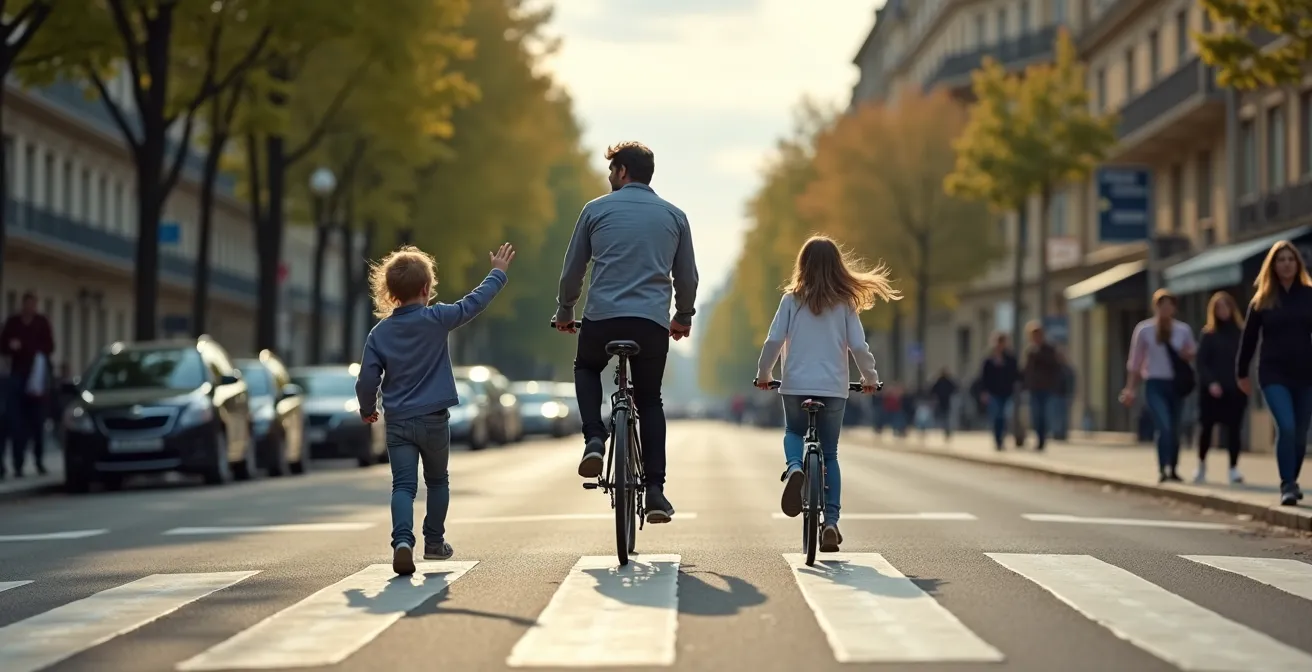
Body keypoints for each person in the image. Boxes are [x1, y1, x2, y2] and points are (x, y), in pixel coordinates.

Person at [554, 141, 698, 524]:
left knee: (586, 368)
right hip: (651, 324)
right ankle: (654, 490)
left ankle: (594, 439)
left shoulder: (594, 211)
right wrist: (682, 316)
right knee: (650, 400)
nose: (608, 178)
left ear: (621, 172)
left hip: (602, 320)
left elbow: (573, 271)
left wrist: (566, 310)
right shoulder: (675, 216)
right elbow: (686, 277)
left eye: (610, 171)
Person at [355, 243, 516, 575]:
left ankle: (402, 541)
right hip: (433, 419)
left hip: (398, 421)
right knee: (438, 481)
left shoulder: (379, 333)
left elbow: (367, 377)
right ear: (427, 289)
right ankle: (434, 542)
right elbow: (474, 303)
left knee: (402, 485)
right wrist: (497, 273)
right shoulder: (437, 318)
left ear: (389, 292)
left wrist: (367, 409)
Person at [753, 235, 895, 552]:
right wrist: (870, 378)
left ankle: (795, 468)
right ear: (838, 268)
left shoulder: (791, 301)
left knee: (793, 430)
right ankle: (831, 522)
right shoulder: (845, 305)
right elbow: (859, 346)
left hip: (795, 386)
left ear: (801, 265)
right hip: (832, 389)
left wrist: (764, 374)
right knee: (829, 454)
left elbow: (774, 341)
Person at [1236, 240, 1312, 506]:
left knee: (1301, 433)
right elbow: (1248, 339)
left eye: (1291, 259)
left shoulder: (1308, 295)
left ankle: (1293, 478)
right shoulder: (1262, 299)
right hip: (1273, 373)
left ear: (1298, 264)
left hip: (1306, 373)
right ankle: (1287, 484)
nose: (1287, 264)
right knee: (1287, 427)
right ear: (1273, 265)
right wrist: (1241, 372)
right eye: (1281, 260)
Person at [1122, 289, 1195, 483]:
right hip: (1155, 383)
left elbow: (1192, 352)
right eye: (1161, 305)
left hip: (1176, 384)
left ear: (1174, 308)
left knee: (1176, 426)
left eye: (1169, 305)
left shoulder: (1183, 330)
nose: (1165, 309)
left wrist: (1187, 354)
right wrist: (1130, 389)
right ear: (1155, 307)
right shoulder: (1144, 330)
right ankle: (1163, 468)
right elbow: (1135, 362)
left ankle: (1174, 467)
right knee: (1164, 426)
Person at [1194, 290, 1247, 484]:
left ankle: (1233, 468)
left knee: (1234, 430)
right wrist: (1211, 383)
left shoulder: (1240, 333)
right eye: (1218, 307)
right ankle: (1201, 465)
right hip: (1212, 391)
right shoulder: (1209, 334)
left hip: (1235, 389)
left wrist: (1245, 380)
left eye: (1226, 306)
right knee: (1206, 429)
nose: (1223, 311)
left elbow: (1246, 359)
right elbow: (1201, 363)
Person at [0, 291, 54, 478]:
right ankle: (17, 464)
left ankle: (39, 460)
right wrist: (11, 346)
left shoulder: (41, 323)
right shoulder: (13, 323)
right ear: (23, 305)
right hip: (17, 376)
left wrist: (26, 347)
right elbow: (4, 345)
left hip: (36, 379)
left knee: (37, 422)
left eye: (32, 304)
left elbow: (49, 347)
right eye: (27, 303)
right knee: (15, 422)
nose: (29, 307)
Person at [1020, 321, 1063, 452]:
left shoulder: (1048, 349)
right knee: (1035, 415)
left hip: (1046, 387)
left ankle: (1042, 439)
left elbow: (1055, 366)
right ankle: (1039, 438)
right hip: (1033, 388)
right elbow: (1025, 369)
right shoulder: (1029, 350)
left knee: (1044, 414)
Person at [978, 332, 1019, 451]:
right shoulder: (989, 360)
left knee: (1005, 417)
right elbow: (984, 377)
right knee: (996, 416)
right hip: (993, 393)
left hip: (1007, 392)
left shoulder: (1010, 358)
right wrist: (984, 392)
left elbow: (1015, 374)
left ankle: (1002, 437)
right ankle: (997, 440)